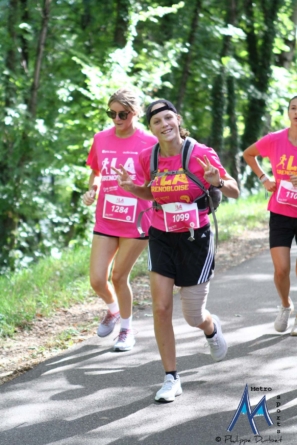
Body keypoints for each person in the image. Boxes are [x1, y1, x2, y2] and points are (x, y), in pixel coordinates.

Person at [113, 99, 239, 402]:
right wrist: (133, 189)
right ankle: (171, 377)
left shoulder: (200, 153)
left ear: (177, 120)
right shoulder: (148, 158)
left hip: (196, 238)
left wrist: (217, 180)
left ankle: (210, 328)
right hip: (161, 235)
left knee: (192, 315)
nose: (164, 124)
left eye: (169, 118)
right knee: (161, 308)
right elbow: (151, 192)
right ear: (152, 127)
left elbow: (234, 189)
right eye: (157, 121)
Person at [83, 88, 157, 352]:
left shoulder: (149, 142)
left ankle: (126, 330)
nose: (116, 118)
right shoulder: (101, 139)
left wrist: (136, 186)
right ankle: (113, 310)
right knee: (96, 279)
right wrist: (92, 189)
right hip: (106, 217)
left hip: (137, 219)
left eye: (122, 114)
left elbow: (156, 181)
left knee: (118, 276)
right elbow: (95, 171)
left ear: (135, 113)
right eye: (111, 113)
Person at [243, 95, 297, 336]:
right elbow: (248, 154)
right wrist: (265, 179)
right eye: (293, 108)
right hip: (281, 212)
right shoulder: (275, 140)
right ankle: (286, 305)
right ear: (288, 112)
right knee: (281, 269)